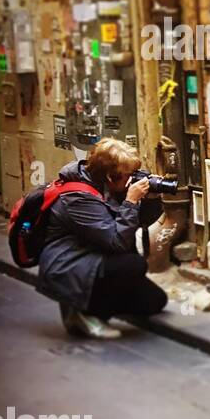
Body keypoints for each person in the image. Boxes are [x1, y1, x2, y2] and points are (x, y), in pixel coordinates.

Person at [37, 138, 168, 339]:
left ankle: (89, 300)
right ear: (109, 176)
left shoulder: (108, 186)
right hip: (69, 263)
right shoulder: (77, 197)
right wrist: (131, 201)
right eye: (128, 175)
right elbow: (117, 242)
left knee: (155, 301)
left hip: (95, 255)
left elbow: (138, 222)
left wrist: (150, 199)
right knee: (134, 265)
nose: (131, 180)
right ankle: (83, 313)